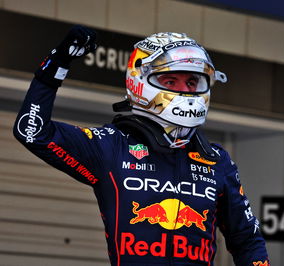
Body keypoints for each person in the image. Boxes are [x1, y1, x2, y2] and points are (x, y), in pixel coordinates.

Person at [13, 25, 270, 266]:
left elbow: (247, 239)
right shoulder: (112, 146)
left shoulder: (216, 160)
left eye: (192, 82)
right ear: (140, 81)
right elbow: (32, 131)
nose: (185, 90)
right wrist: (55, 67)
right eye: (171, 81)